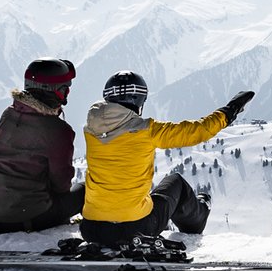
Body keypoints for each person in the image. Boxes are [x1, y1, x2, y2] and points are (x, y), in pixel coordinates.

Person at [80, 70, 254, 247]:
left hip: (92, 229)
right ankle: (198, 218)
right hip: (137, 227)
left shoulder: (90, 130)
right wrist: (230, 111)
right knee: (176, 182)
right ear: (138, 100)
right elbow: (198, 131)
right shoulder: (148, 130)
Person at [0, 58, 85, 234]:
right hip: (24, 217)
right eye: (65, 88)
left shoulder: (9, 114)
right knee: (85, 190)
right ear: (56, 92)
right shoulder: (58, 130)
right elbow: (61, 184)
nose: (68, 92)